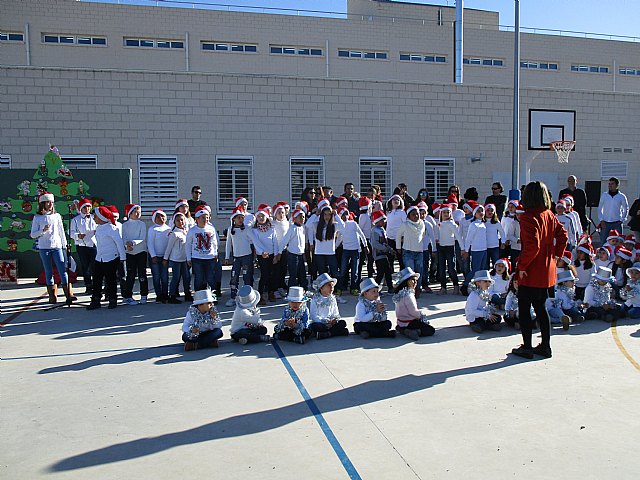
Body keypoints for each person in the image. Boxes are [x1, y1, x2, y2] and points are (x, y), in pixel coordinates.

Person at [511, 181, 568, 360]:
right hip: (546, 268)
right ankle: (545, 346)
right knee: (541, 308)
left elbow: (532, 246)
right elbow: (563, 235)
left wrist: (522, 267)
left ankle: (527, 347)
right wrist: (557, 255)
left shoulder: (528, 217)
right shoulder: (549, 214)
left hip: (531, 269)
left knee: (525, 307)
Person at [30, 192, 74, 305]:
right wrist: (42, 231)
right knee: (48, 272)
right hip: (44, 248)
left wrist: (65, 245)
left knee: (63, 270)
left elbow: (61, 232)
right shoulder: (38, 217)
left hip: (57, 246)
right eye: (48, 202)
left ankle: (68, 295)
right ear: (42, 204)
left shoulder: (57, 216)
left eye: (52, 202)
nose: (50, 205)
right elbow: (33, 234)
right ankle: (52, 296)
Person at [87, 206, 126, 310]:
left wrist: (122, 257)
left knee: (111, 280)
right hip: (99, 258)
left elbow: (119, 243)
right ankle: (96, 300)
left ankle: (113, 299)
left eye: (95, 216)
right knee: (96, 280)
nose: (94, 218)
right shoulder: (98, 228)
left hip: (111, 258)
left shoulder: (112, 228)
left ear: (101, 218)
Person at [392, 267, 435, 340]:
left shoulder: (399, 293)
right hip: (409, 322)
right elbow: (413, 312)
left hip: (401, 321)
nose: (415, 282)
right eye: (412, 280)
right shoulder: (408, 294)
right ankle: (412, 331)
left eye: (416, 280)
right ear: (406, 281)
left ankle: (401, 328)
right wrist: (421, 315)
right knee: (430, 330)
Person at [224, 207, 255, 307]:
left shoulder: (247, 229)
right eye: (238, 217)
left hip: (247, 256)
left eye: (242, 217)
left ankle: (248, 297)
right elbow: (228, 243)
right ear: (233, 219)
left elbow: (255, 240)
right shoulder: (230, 230)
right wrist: (226, 257)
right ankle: (233, 296)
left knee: (247, 277)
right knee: (234, 276)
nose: (240, 220)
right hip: (236, 257)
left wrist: (261, 251)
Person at [249, 207, 279, 305]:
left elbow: (275, 242)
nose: (261, 218)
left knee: (272, 274)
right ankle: (260, 295)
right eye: (259, 216)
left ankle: (271, 292)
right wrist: (262, 252)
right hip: (262, 255)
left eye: (263, 216)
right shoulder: (255, 231)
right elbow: (256, 243)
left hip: (271, 255)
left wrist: (275, 255)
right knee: (264, 274)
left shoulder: (271, 229)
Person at [186, 205, 220, 293]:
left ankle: (213, 296)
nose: (205, 220)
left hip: (210, 258)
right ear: (197, 219)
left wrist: (215, 254)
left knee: (210, 277)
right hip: (197, 258)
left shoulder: (211, 228)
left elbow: (214, 242)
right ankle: (199, 297)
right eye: (203, 218)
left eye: (207, 217)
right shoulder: (192, 230)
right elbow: (188, 244)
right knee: (199, 278)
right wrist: (189, 258)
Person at [121, 203, 149, 305]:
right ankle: (128, 296)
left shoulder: (142, 224)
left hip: (141, 251)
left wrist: (132, 243)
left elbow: (142, 237)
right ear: (129, 213)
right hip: (130, 252)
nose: (137, 214)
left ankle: (144, 295)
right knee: (130, 275)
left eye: (139, 212)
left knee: (142, 274)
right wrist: (126, 245)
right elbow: (123, 237)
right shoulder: (125, 225)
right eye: (135, 211)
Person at [309, 273, 349, 339]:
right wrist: (326, 321)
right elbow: (314, 316)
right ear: (321, 288)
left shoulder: (332, 298)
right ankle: (336, 332)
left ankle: (327, 334)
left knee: (342, 323)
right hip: (321, 323)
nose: (332, 288)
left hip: (331, 323)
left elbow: (336, 313)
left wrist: (334, 320)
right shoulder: (315, 299)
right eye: (329, 285)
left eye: (333, 286)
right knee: (315, 326)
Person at [396, 205, 425, 296]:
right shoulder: (405, 224)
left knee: (419, 271)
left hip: (419, 251)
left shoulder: (422, 224)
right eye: (413, 214)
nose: (416, 216)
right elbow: (398, 236)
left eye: (417, 214)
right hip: (408, 251)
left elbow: (422, 235)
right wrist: (398, 248)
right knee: (410, 272)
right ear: (408, 216)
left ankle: (418, 288)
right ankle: (410, 290)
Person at [70, 197, 96, 295]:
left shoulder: (94, 218)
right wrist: (78, 236)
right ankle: (88, 285)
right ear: (81, 208)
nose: (87, 209)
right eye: (85, 207)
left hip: (93, 244)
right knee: (85, 266)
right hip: (81, 245)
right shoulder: (75, 220)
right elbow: (71, 232)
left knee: (94, 265)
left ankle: (95, 285)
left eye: (89, 207)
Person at [164, 212, 191, 304]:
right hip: (176, 259)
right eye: (178, 220)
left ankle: (187, 293)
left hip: (185, 259)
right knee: (176, 277)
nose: (180, 222)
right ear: (174, 222)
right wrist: (165, 258)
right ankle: (172, 295)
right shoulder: (174, 233)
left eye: (182, 220)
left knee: (187, 277)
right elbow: (169, 247)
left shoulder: (187, 232)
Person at [435, 204, 462, 295]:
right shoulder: (439, 224)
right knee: (441, 269)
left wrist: (463, 248)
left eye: (448, 212)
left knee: (451, 268)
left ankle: (456, 286)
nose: (446, 214)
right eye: (444, 212)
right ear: (441, 214)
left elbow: (458, 237)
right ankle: (443, 287)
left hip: (450, 248)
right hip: (441, 248)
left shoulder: (452, 224)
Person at [278, 208, 308, 290]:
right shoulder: (292, 228)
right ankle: (291, 291)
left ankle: (303, 290)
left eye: (303, 217)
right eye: (300, 217)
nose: (302, 219)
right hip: (293, 255)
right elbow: (284, 241)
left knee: (302, 274)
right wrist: (280, 252)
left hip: (301, 254)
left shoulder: (303, 228)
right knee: (293, 275)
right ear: (295, 218)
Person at [147, 209, 171, 303]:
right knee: (156, 276)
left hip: (164, 257)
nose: (161, 218)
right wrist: (153, 255)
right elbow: (150, 243)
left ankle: (165, 294)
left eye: (162, 216)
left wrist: (166, 256)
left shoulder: (168, 229)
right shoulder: (152, 229)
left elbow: (169, 243)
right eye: (158, 217)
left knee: (165, 276)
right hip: (155, 257)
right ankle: (159, 294)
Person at [597, 177, 629, 245]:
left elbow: (626, 208)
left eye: (612, 184)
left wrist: (622, 220)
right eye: (609, 184)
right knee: (603, 242)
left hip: (617, 223)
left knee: (618, 243)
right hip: (605, 223)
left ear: (617, 185)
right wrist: (601, 220)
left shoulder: (621, 196)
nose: (610, 185)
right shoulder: (604, 195)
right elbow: (600, 208)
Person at [370, 210, 394, 294]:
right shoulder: (374, 230)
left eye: (384, 219)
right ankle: (375, 289)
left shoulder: (382, 229)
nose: (384, 221)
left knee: (388, 271)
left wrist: (390, 249)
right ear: (377, 221)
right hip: (378, 255)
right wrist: (385, 249)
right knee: (380, 272)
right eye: (381, 220)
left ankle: (390, 287)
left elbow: (385, 242)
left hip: (384, 254)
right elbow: (375, 244)